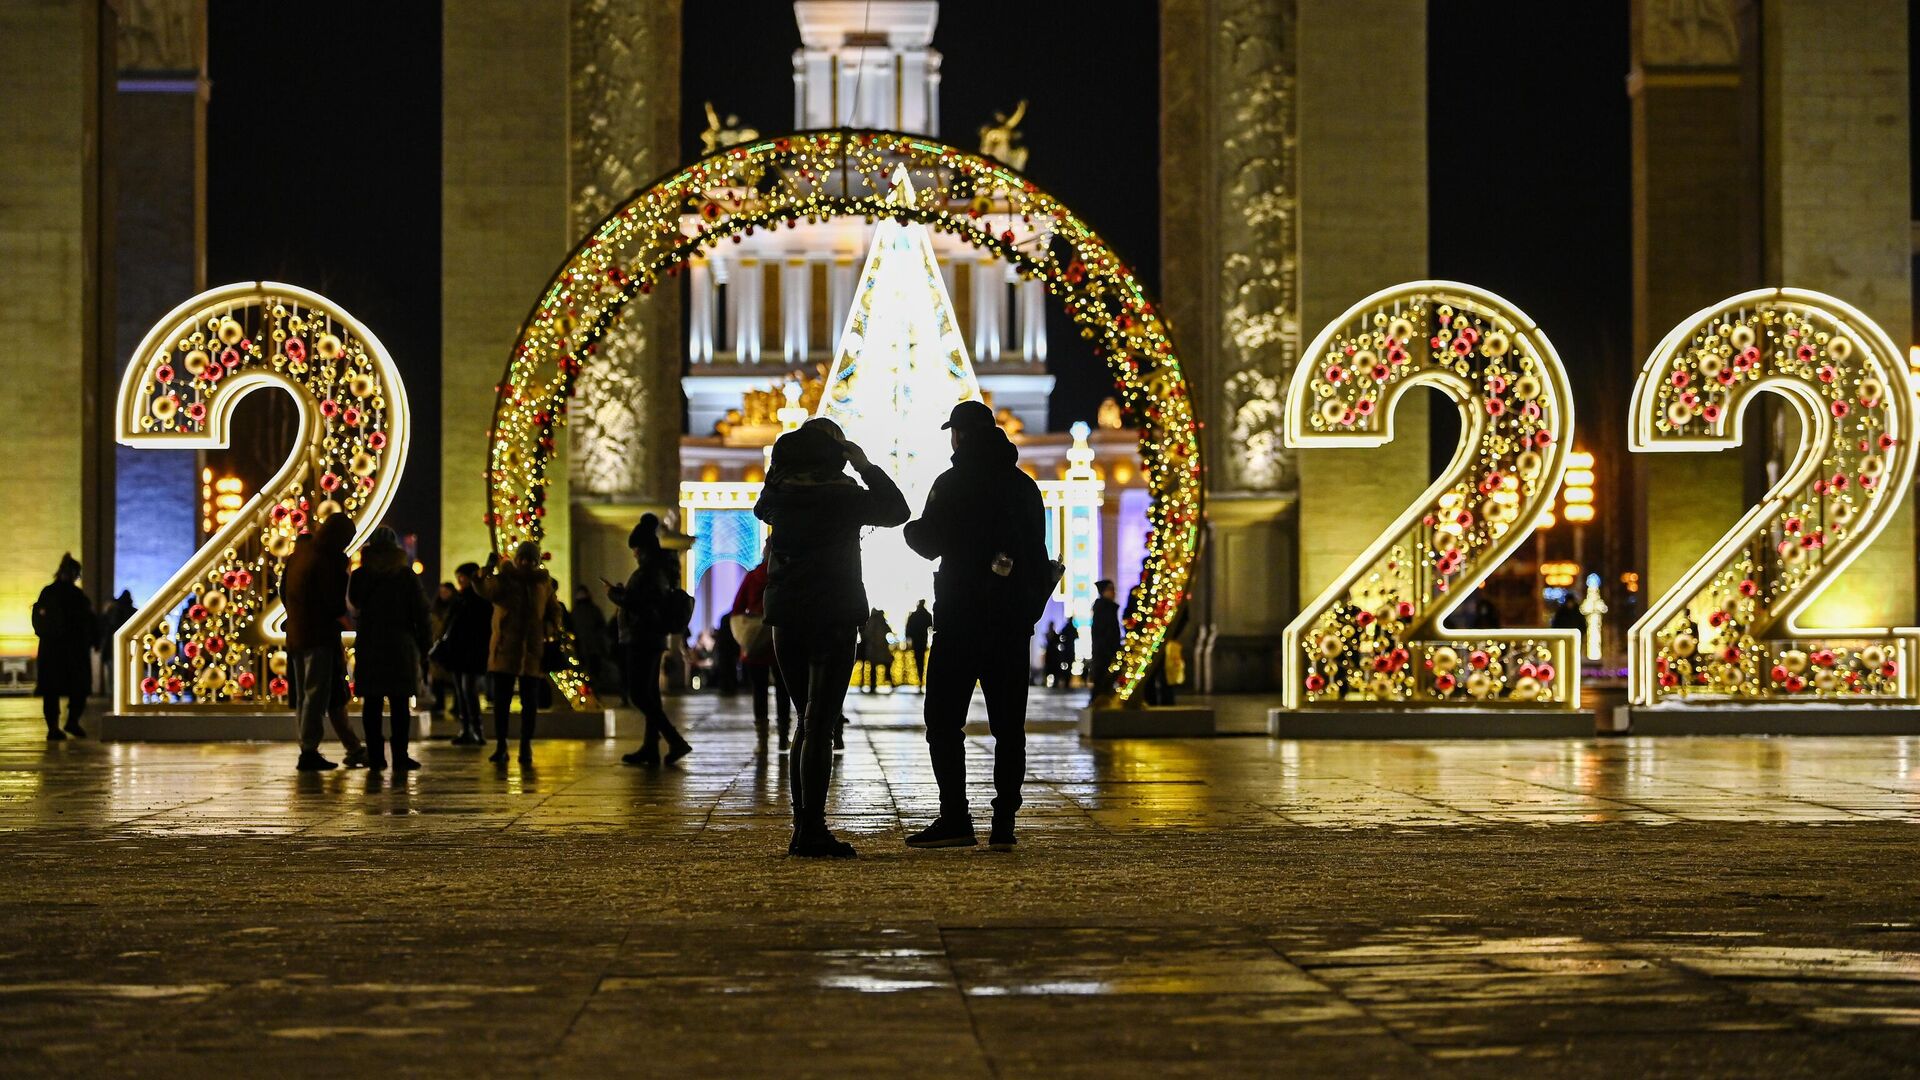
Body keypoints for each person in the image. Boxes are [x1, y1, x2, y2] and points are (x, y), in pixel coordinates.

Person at [902, 400, 1051, 852]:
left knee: (943, 721)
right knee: (1010, 728)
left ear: (960, 436)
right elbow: (1037, 555)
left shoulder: (953, 482)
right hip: (1009, 624)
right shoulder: (1024, 487)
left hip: (961, 619)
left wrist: (911, 529)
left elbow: (929, 542)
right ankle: (1004, 821)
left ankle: (955, 817)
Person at [755, 422, 908, 858]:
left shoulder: (779, 497)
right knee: (819, 723)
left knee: (805, 722)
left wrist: (778, 467)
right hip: (833, 612)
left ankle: (803, 827)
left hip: (786, 614)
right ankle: (813, 830)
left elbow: (761, 507)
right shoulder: (845, 497)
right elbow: (897, 511)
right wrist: (864, 464)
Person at [609, 514, 693, 767]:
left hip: (642, 638)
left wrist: (616, 595)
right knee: (651, 695)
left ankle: (674, 740)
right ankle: (650, 748)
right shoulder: (659, 569)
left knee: (638, 695)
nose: (633, 553)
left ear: (642, 548)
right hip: (651, 637)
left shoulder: (650, 571)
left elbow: (641, 604)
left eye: (635, 548)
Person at [282, 514, 362, 771]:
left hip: (296, 633)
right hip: (319, 635)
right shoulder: (328, 560)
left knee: (305, 695)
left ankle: (308, 746)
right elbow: (334, 602)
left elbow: (284, 592)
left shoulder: (298, 556)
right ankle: (309, 750)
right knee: (315, 694)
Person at [348, 527, 430, 771]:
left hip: (370, 645)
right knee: (399, 704)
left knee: (371, 705)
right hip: (400, 647)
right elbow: (421, 613)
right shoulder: (406, 576)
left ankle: (375, 756)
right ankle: (400, 756)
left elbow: (355, 604)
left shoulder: (361, 575)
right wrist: (424, 646)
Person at [477, 541, 563, 765]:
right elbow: (485, 590)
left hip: (533, 650)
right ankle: (501, 745)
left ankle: (526, 746)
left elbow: (554, 609)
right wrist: (485, 572)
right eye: (523, 558)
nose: (526, 563)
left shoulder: (543, 584)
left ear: (537, 561)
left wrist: (552, 626)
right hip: (506, 648)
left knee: (529, 703)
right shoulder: (505, 579)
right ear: (517, 559)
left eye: (531, 559)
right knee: (502, 702)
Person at [729, 558, 792, 750]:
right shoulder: (787, 576)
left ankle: (762, 740)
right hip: (781, 640)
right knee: (784, 691)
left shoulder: (753, 577)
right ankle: (783, 737)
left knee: (759, 691)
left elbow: (737, 607)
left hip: (756, 642)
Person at [32, 553, 96, 740]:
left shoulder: (53, 593)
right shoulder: (74, 596)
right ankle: (65, 723)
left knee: (58, 691)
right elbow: (88, 622)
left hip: (57, 650)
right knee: (71, 690)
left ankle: (60, 725)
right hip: (67, 650)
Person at [438, 563, 494, 745]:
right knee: (462, 692)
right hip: (460, 652)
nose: (459, 580)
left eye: (461, 576)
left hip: (470, 652)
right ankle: (468, 729)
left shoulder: (477, 599)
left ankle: (475, 729)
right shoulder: (462, 598)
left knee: (468, 691)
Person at [427, 582, 457, 719]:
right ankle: (439, 703)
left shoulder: (455, 608)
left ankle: (456, 705)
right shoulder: (435, 610)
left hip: (450, 647)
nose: (443, 594)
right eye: (442, 592)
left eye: (446, 591)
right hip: (437, 647)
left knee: (453, 678)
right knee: (437, 678)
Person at [98, 590, 135, 700]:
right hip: (129, 648)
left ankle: (114, 695)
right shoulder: (134, 612)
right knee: (128, 673)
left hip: (112, 648)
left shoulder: (113, 612)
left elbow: (105, 628)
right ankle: (127, 694)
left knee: (112, 674)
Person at [1089, 579, 1121, 703]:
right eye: (1110, 589)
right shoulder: (1104, 609)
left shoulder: (1108, 608)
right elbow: (1103, 633)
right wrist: (1109, 649)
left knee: (1104, 681)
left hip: (1106, 651)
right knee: (1103, 680)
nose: (1113, 593)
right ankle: (1098, 703)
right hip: (1104, 652)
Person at [860, 607, 895, 694]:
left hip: (873, 649)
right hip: (881, 649)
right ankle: (889, 683)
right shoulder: (882, 622)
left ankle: (873, 686)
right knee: (886, 666)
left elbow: (866, 634)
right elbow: (889, 630)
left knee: (873, 669)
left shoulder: (870, 622)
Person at [904, 599, 932, 690]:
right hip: (923, 640)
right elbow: (931, 626)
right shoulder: (927, 615)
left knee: (918, 660)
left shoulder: (913, 615)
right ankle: (921, 680)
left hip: (916, 641)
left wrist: (908, 640)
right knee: (922, 661)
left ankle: (920, 680)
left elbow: (908, 629)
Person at [1059, 619, 1079, 688]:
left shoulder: (1066, 628)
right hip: (1070, 650)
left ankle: (1065, 681)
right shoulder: (1072, 628)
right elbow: (1077, 636)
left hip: (1066, 650)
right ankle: (1067, 681)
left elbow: (1061, 637)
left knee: (1066, 666)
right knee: (1069, 666)